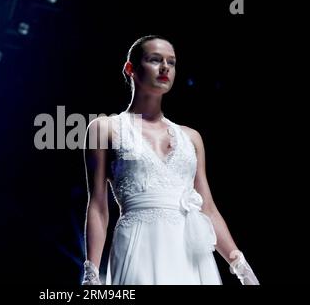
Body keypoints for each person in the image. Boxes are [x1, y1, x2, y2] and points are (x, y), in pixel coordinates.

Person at [81, 35, 259, 285]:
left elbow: (207, 209)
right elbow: (98, 206)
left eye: (171, 62)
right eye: (155, 60)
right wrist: (91, 273)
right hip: (138, 244)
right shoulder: (104, 128)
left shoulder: (191, 137)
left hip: (190, 253)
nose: (165, 67)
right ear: (130, 69)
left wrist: (240, 265)